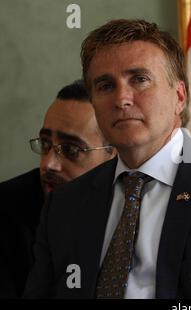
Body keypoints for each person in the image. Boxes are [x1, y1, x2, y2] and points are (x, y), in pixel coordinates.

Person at [24, 20, 191, 298]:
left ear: (179, 96)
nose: (121, 99)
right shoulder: (65, 203)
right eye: (105, 86)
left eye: (139, 79)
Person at [0, 80, 116, 298]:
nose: (48, 164)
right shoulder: (6, 212)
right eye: (45, 144)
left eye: (71, 149)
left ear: (115, 155)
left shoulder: (141, 207)